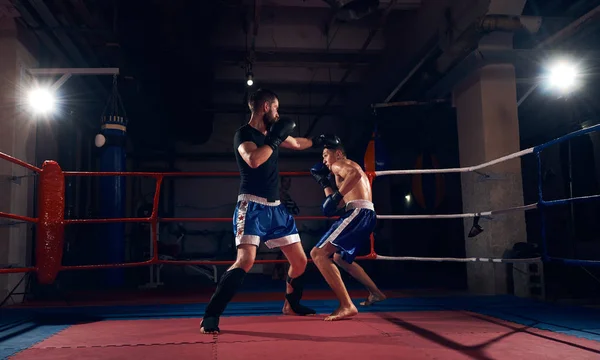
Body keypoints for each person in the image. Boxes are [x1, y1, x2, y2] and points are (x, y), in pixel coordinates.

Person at [200, 89, 339, 334]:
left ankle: (291, 305)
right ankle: (211, 315)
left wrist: (320, 140)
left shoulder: (271, 132)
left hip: (276, 209)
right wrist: (273, 141)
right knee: (245, 261)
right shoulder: (244, 134)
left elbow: (296, 143)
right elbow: (254, 159)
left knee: (300, 261)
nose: (278, 113)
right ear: (265, 106)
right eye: (276, 108)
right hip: (251, 205)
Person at [309, 141, 386, 321]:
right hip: (365, 214)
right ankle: (375, 292)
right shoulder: (345, 169)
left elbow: (354, 175)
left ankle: (346, 304)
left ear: (337, 154)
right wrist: (324, 184)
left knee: (318, 254)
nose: (324, 160)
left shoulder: (341, 164)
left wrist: (336, 194)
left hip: (358, 213)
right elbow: (334, 207)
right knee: (339, 258)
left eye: (325, 155)